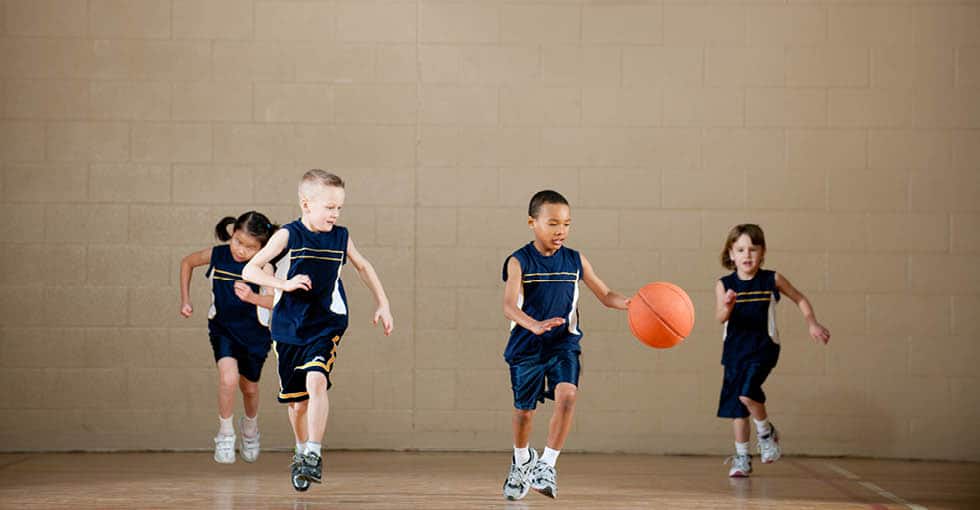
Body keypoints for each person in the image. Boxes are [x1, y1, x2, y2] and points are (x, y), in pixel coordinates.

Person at [242, 169, 393, 491]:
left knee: (317, 379)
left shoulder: (341, 236)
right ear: (306, 203)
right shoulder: (288, 235)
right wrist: (284, 284)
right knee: (297, 404)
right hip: (288, 327)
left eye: (339, 208)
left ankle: (313, 451)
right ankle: (301, 449)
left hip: (326, 323)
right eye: (329, 207)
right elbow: (250, 269)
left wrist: (383, 303)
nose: (335, 214)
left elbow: (364, 267)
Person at [500, 190, 631, 500]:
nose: (561, 231)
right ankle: (521, 462)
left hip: (563, 343)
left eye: (567, 224)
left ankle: (547, 464)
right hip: (526, 345)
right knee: (524, 414)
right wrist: (534, 325)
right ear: (532, 223)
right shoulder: (518, 261)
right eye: (553, 223)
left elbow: (605, 293)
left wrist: (631, 304)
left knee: (568, 395)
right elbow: (508, 306)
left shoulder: (575, 259)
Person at [714, 223, 831, 477]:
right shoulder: (725, 284)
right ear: (731, 254)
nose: (747, 255)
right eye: (741, 249)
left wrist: (812, 323)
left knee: (747, 395)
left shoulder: (771, 279)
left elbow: (799, 297)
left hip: (763, 348)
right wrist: (728, 304)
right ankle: (742, 457)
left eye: (753, 249)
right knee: (738, 410)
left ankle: (766, 433)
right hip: (734, 352)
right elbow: (720, 317)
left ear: (762, 252)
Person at [179, 211, 278, 464]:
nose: (241, 250)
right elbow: (187, 262)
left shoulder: (265, 267)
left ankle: (250, 428)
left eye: (250, 247)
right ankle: (225, 434)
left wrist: (252, 297)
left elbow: (275, 303)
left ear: (262, 248)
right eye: (237, 241)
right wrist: (186, 300)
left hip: (255, 334)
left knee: (250, 389)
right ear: (232, 234)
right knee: (228, 379)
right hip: (223, 329)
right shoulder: (218, 255)